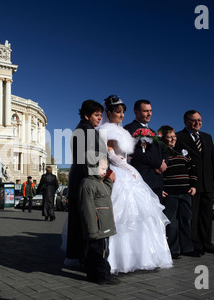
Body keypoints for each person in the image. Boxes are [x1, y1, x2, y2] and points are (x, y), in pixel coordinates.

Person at [97, 95, 173, 273]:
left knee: (143, 215)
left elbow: (128, 154)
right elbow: (110, 153)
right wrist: (126, 166)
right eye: (117, 112)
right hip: (119, 170)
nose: (121, 115)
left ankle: (141, 256)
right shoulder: (107, 129)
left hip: (127, 169)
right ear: (109, 112)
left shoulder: (123, 131)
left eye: (122, 112)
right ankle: (116, 259)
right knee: (121, 215)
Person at [66, 99, 110, 266]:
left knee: (78, 223)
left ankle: (75, 257)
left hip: (79, 180)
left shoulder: (81, 129)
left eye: (100, 115)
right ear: (87, 115)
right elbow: (91, 159)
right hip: (87, 181)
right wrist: (103, 176)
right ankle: (85, 260)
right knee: (87, 223)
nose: (100, 118)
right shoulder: (87, 131)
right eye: (96, 115)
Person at [175, 110, 214, 255]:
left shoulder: (207, 137)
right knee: (193, 216)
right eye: (194, 120)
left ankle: (207, 243)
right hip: (192, 184)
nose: (197, 123)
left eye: (200, 120)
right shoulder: (179, 137)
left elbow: (213, 159)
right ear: (186, 121)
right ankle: (195, 245)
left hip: (208, 182)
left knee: (206, 216)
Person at [159, 125, 199, 259]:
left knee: (186, 220)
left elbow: (192, 168)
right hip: (171, 193)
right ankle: (173, 250)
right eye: (169, 137)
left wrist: (193, 185)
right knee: (171, 222)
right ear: (163, 138)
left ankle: (187, 248)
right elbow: (159, 173)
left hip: (185, 192)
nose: (172, 139)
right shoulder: (161, 152)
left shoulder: (182, 151)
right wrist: (161, 189)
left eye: (174, 136)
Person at [79, 157, 119, 285]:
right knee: (100, 253)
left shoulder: (99, 183)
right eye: (102, 169)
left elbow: (106, 192)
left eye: (106, 169)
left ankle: (93, 275)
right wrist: (92, 230)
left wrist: (109, 180)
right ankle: (103, 277)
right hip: (97, 228)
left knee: (99, 252)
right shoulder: (88, 184)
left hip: (103, 227)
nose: (104, 171)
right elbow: (87, 209)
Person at [124, 99, 168, 200]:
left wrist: (164, 163)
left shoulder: (153, 132)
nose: (149, 114)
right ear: (136, 112)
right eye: (145, 111)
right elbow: (136, 152)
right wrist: (158, 164)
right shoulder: (130, 129)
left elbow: (164, 151)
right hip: (143, 179)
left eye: (150, 111)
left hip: (158, 180)